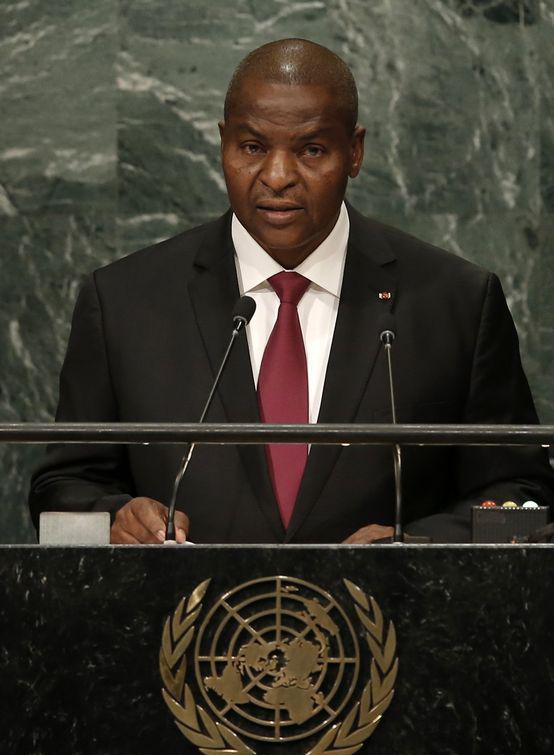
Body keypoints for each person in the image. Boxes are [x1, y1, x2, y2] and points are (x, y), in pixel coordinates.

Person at [29, 39, 554, 545]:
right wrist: (115, 519)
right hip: (184, 628)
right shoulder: (124, 300)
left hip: (396, 624)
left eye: (312, 150)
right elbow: (64, 491)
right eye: (253, 147)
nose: (277, 176)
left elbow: (522, 497)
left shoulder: (456, 301)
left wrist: (417, 544)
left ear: (355, 152)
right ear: (223, 144)